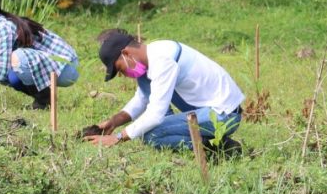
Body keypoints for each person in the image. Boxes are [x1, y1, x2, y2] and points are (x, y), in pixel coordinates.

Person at [84, 30, 244, 153]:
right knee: (145, 89)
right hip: (205, 111)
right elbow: (142, 98)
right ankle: (204, 140)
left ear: (126, 54)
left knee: (149, 135)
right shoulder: (153, 54)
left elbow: (155, 114)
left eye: (120, 69)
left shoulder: (162, 61)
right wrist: (113, 122)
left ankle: (216, 149)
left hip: (223, 115)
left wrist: (118, 137)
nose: (123, 75)